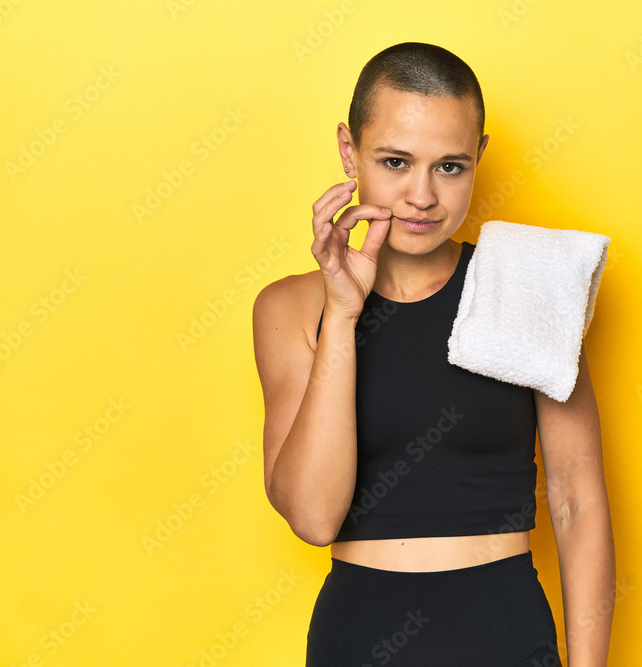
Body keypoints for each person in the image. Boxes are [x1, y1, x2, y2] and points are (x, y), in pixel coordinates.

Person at [252, 42, 614, 666]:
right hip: (358, 640)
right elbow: (313, 517)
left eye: (449, 167)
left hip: (505, 638)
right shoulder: (291, 308)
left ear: (479, 157)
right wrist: (343, 315)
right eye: (395, 161)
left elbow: (577, 500)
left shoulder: (526, 283)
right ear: (349, 150)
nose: (421, 196)